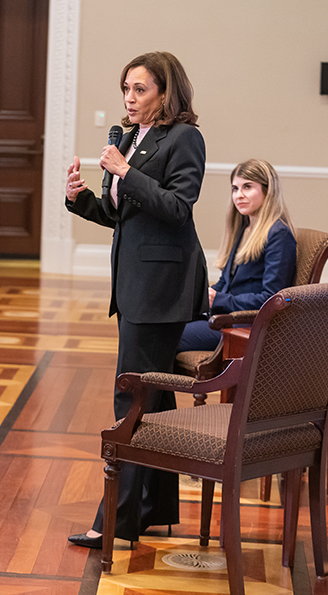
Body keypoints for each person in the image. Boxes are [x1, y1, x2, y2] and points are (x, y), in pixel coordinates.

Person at [64, 51, 208, 546]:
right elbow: (122, 216)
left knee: (131, 396)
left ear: (164, 94)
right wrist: (80, 199)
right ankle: (154, 507)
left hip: (160, 288)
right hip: (135, 286)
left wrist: (125, 172)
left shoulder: (184, 137)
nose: (129, 97)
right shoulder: (131, 137)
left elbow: (177, 208)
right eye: (125, 88)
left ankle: (116, 524)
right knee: (157, 396)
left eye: (139, 89)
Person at [177, 159, 296, 352]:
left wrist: (219, 300)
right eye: (235, 188)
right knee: (161, 325)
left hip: (246, 326)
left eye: (247, 187)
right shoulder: (245, 229)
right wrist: (204, 295)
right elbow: (225, 283)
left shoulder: (278, 235)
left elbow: (271, 299)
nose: (238, 195)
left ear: (268, 190)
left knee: (167, 339)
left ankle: (162, 383)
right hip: (226, 317)